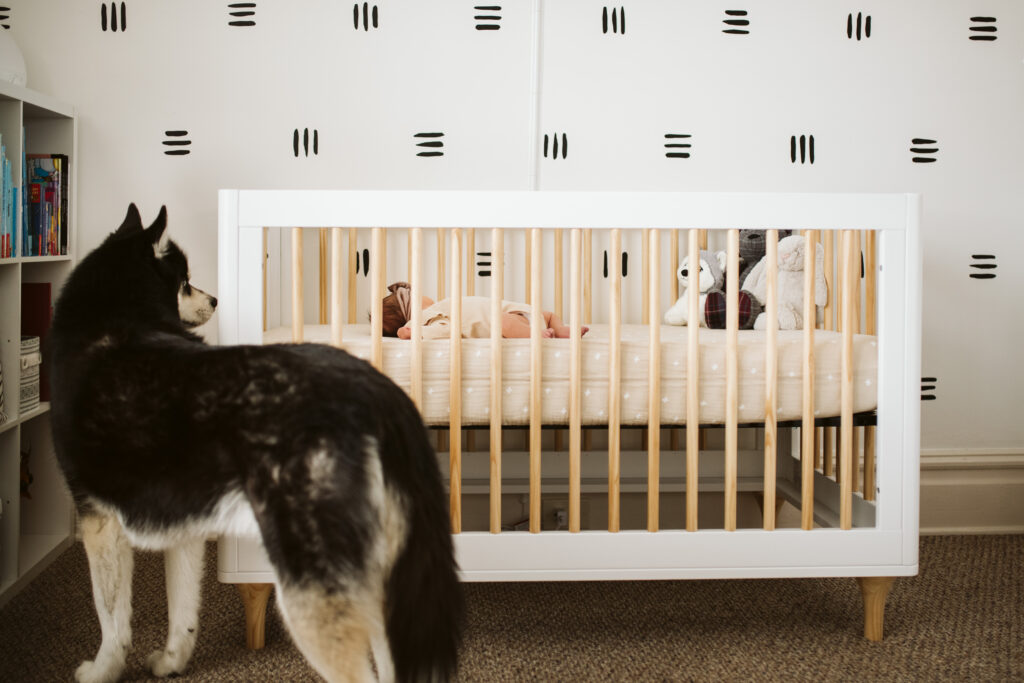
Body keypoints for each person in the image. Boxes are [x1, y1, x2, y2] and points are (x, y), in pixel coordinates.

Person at [380, 282, 588, 340]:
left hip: (518, 314)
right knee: (504, 321)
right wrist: (413, 332)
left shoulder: (437, 308)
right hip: (509, 321)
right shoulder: (424, 319)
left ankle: (559, 329)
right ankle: (539, 334)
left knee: (546, 315)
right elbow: (445, 331)